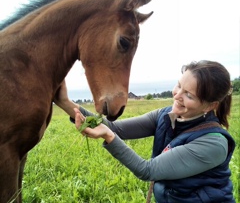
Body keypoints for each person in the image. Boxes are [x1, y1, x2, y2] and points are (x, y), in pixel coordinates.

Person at [54, 60, 236, 203]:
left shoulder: (213, 143)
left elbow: (147, 170)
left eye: (189, 95)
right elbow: (115, 128)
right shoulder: (165, 115)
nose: (177, 95)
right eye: (179, 85)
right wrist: (65, 102)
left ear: (210, 106)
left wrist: (108, 136)